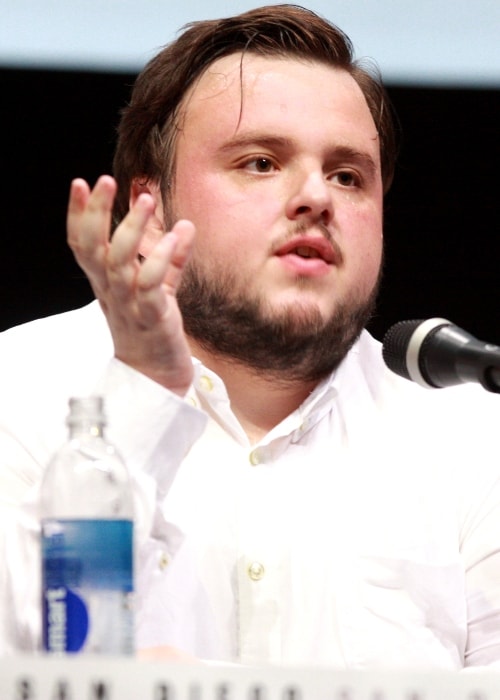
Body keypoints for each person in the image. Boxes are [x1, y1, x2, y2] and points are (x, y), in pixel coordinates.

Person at [0, 3, 500, 668]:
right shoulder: (17, 392)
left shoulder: (472, 436)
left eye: (348, 175)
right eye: (261, 162)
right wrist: (144, 393)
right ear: (150, 212)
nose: (316, 197)